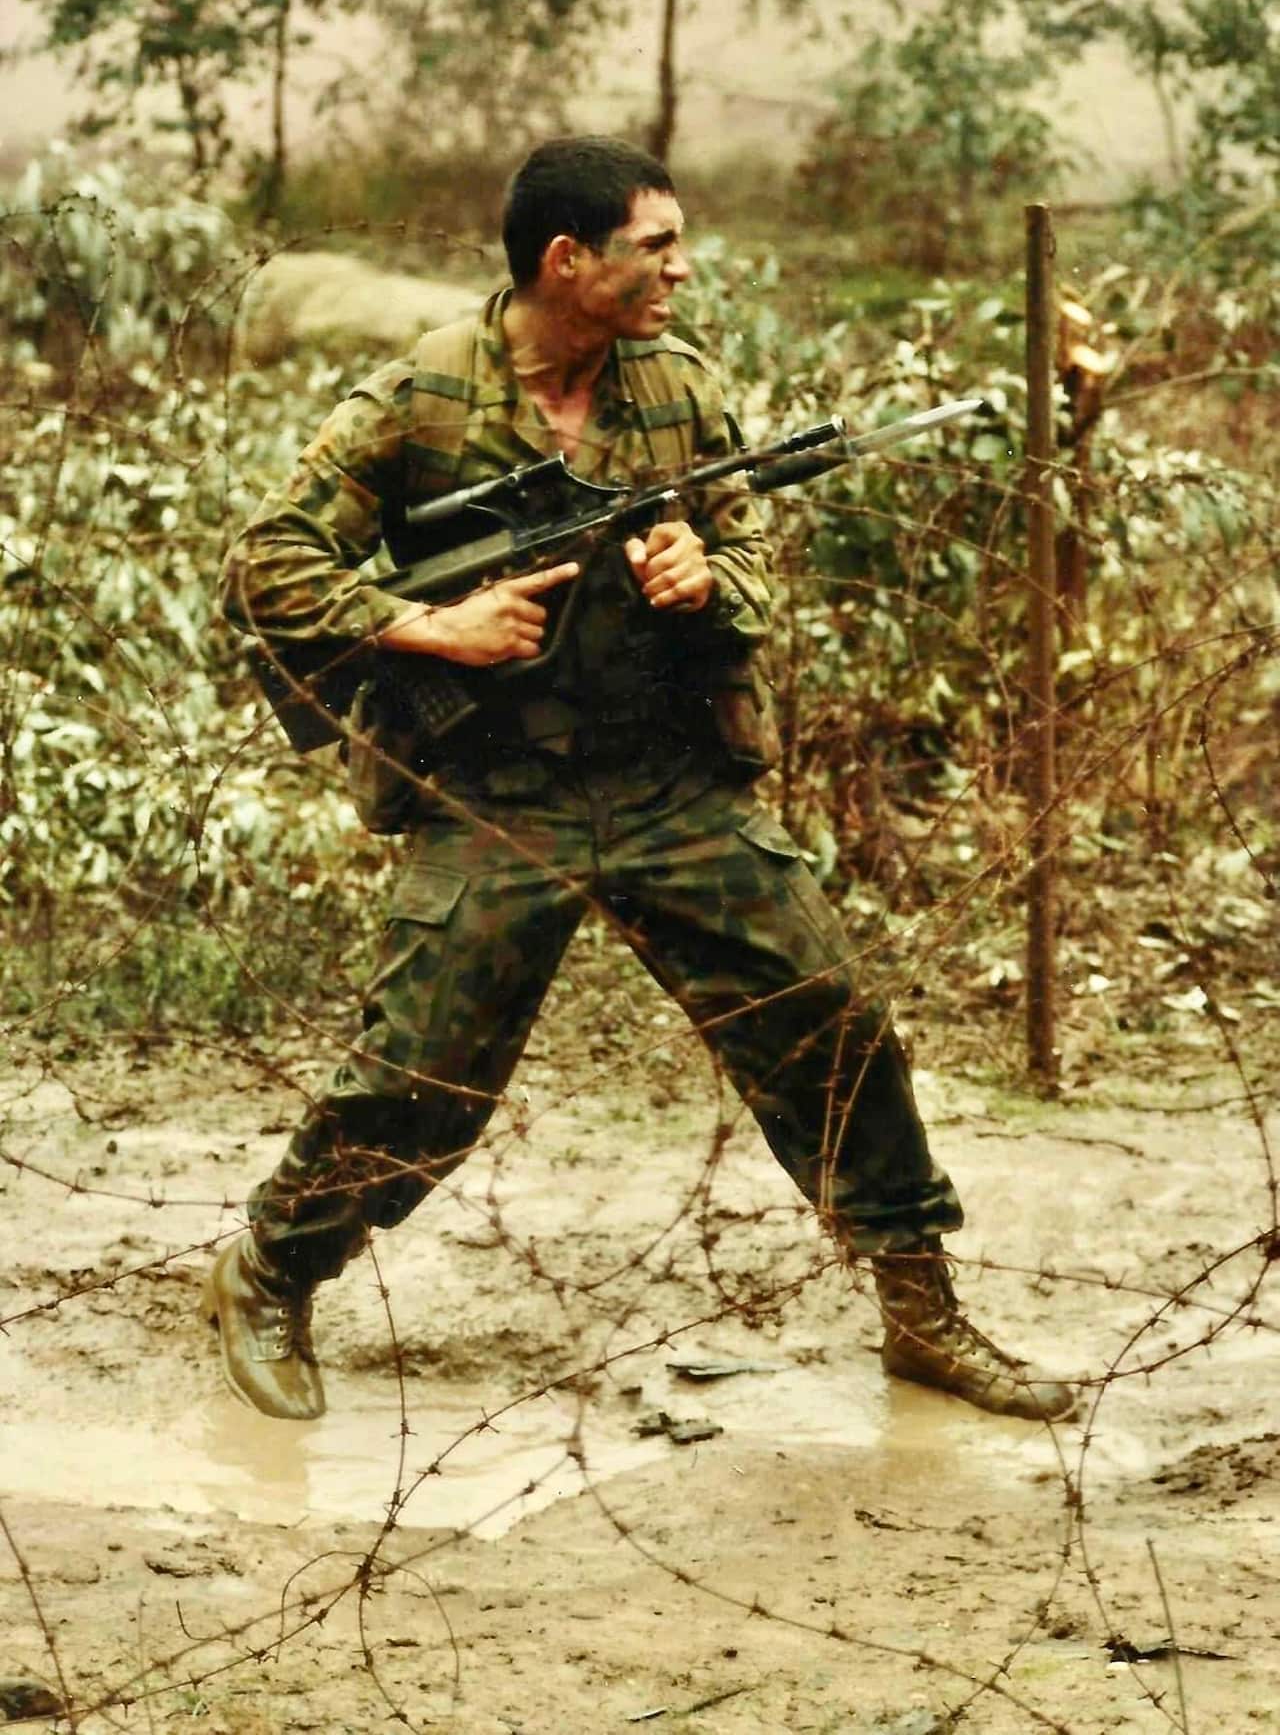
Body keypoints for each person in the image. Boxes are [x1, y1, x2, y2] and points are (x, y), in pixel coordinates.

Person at [208, 136, 1074, 1426]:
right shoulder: (416, 400)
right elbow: (263, 563)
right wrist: (428, 626)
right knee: (422, 1078)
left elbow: (754, 546)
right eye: (655, 245)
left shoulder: (680, 389)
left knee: (831, 1025)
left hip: (673, 785)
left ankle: (920, 1310)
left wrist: (710, 582)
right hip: (498, 796)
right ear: (569, 261)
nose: (682, 266)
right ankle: (271, 1271)